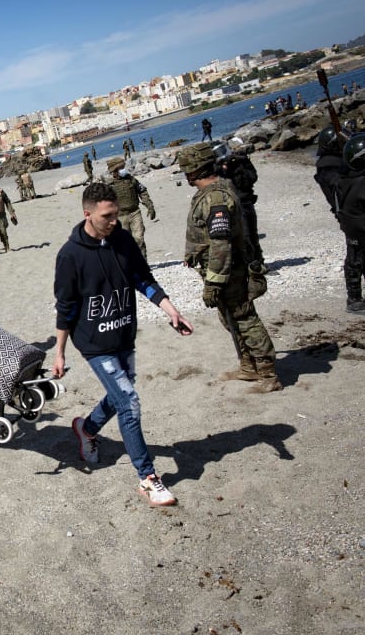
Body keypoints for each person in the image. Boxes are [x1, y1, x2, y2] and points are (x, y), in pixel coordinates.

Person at [52, 183, 191, 507]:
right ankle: (148, 478)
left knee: (122, 392)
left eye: (116, 214)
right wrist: (59, 352)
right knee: (129, 402)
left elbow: (142, 279)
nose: (115, 220)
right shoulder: (70, 256)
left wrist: (172, 312)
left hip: (124, 335)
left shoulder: (123, 240)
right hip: (93, 343)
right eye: (107, 216)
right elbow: (66, 308)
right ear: (88, 214)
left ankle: (86, 429)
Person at [178, 142, 281, 391]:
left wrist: (213, 282)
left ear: (193, 171)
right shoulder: (215, 191)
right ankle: (248, 365)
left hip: (228, 272)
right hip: (222, 270)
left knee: (245, 319)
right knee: (230, 319)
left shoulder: (215, 197)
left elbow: (221, 243)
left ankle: (268, 374)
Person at [329, 132, 365, 313]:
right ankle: (354, 299)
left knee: (354, 261)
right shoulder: (359, 182)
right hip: (359, 226)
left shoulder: (343, 179)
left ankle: (354, 298)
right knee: (355, 261)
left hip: (351, 226)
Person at [214, 142, 265, 268]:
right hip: (233, 205)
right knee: (245, 236)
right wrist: (222, 167)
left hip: (245, 201)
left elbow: (252, 178)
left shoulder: (240, 162)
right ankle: (253, 266)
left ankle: (258, 263)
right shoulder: (218, 169)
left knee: (252, 234)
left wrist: (238, 164)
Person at [105, 157, 156, 260]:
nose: (123, 170)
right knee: (124, 242)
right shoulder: (109, 185)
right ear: (114, 171)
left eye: (123, 167)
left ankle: (143, 263)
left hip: (135, 213)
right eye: (120, 168)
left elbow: (142, 191)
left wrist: (149, 206)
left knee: (139, 238)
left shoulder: (131, 180)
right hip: (120, 217)